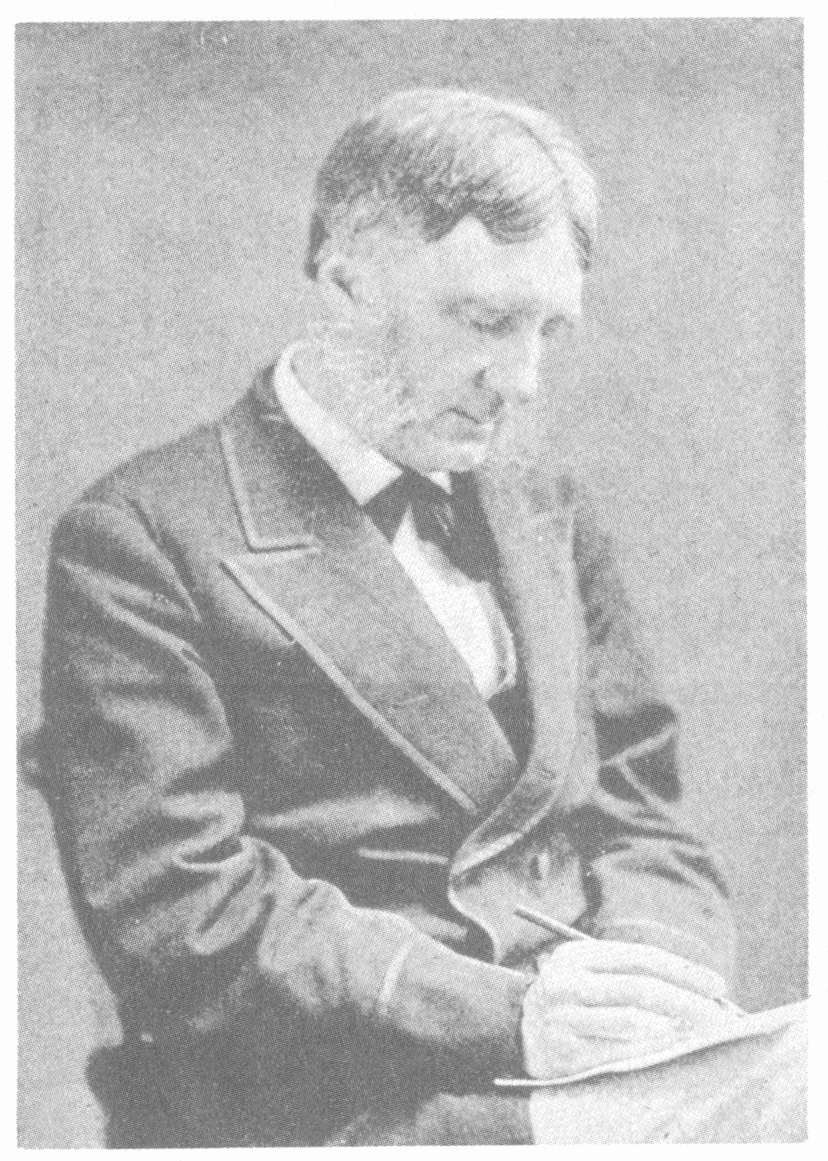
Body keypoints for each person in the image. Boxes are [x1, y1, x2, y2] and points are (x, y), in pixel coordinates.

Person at [38, 88, 802, 1146]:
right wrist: (514, 1018)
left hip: (581, 1063)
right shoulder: (140, 536)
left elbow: (639, 810)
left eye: (549, 330)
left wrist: (647, 990)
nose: (521, 381)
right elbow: (185, 913)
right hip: (340, 1100)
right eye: (485, 323)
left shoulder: (546, 509)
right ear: (346, 282)